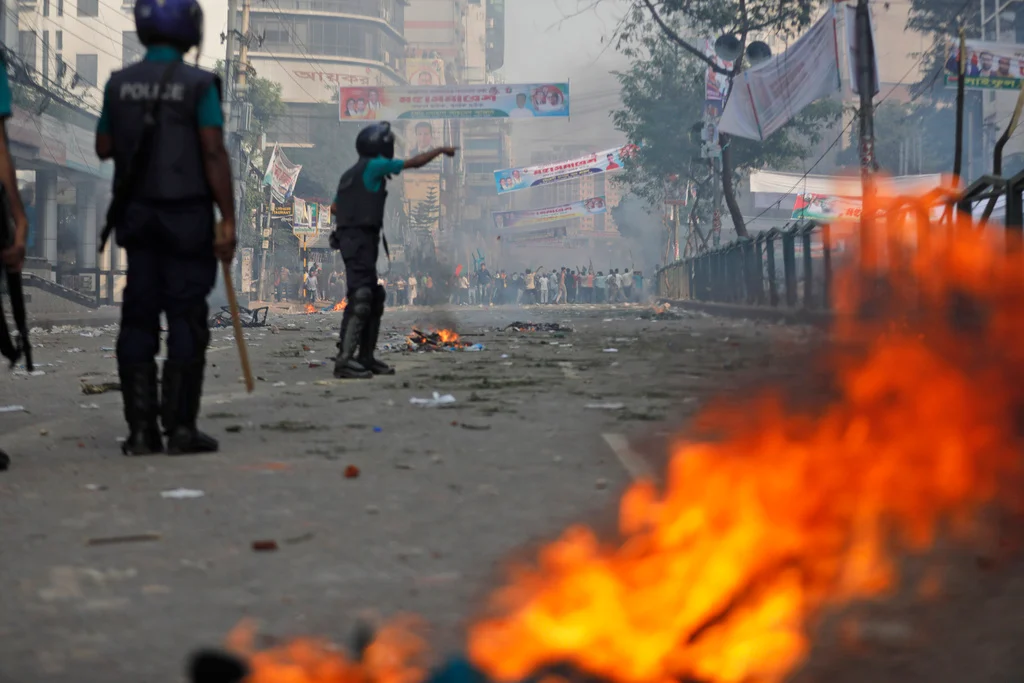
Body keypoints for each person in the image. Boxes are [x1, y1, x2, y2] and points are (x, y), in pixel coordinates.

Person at [95, 0, 234, 456]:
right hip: (187, 221)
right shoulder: (200, 85)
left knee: (138, 319)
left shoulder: (118, 83)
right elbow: (213, 151)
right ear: (190, 31)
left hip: (137, 220)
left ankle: (141, 432)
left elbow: (103, 146)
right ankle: (180, 428)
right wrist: (228, 218)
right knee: (186, 318)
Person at [330, 122, 456, 379]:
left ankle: (365, 357)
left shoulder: (350, 174)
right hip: (359, 242)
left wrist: (353, 221)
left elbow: (334, 208)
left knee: (375, 296)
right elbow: (414, 163)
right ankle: (344, 360)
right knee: (362, 296)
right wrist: (441, 150)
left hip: (357, 241)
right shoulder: (374, 165)